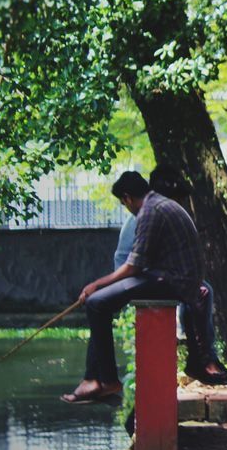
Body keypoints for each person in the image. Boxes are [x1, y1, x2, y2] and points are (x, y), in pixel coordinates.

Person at [64, 171, 205, 404]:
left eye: (123, 203)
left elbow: (133, 267)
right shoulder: (160, 205)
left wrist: (95, 284)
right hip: (175, 278)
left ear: (128, 198)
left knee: (97, 303)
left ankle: (104, 380)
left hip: (174, 282)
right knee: (100, 302)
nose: (125, 207)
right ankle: (94, 379)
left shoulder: (149, 212)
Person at [147, 165, 227, 384]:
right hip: (150, 280)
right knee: (199, 292)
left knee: (201, 291)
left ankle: (205, 359)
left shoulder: (164, 215)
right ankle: (202, 361)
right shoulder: (150, 215)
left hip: (168, 277)